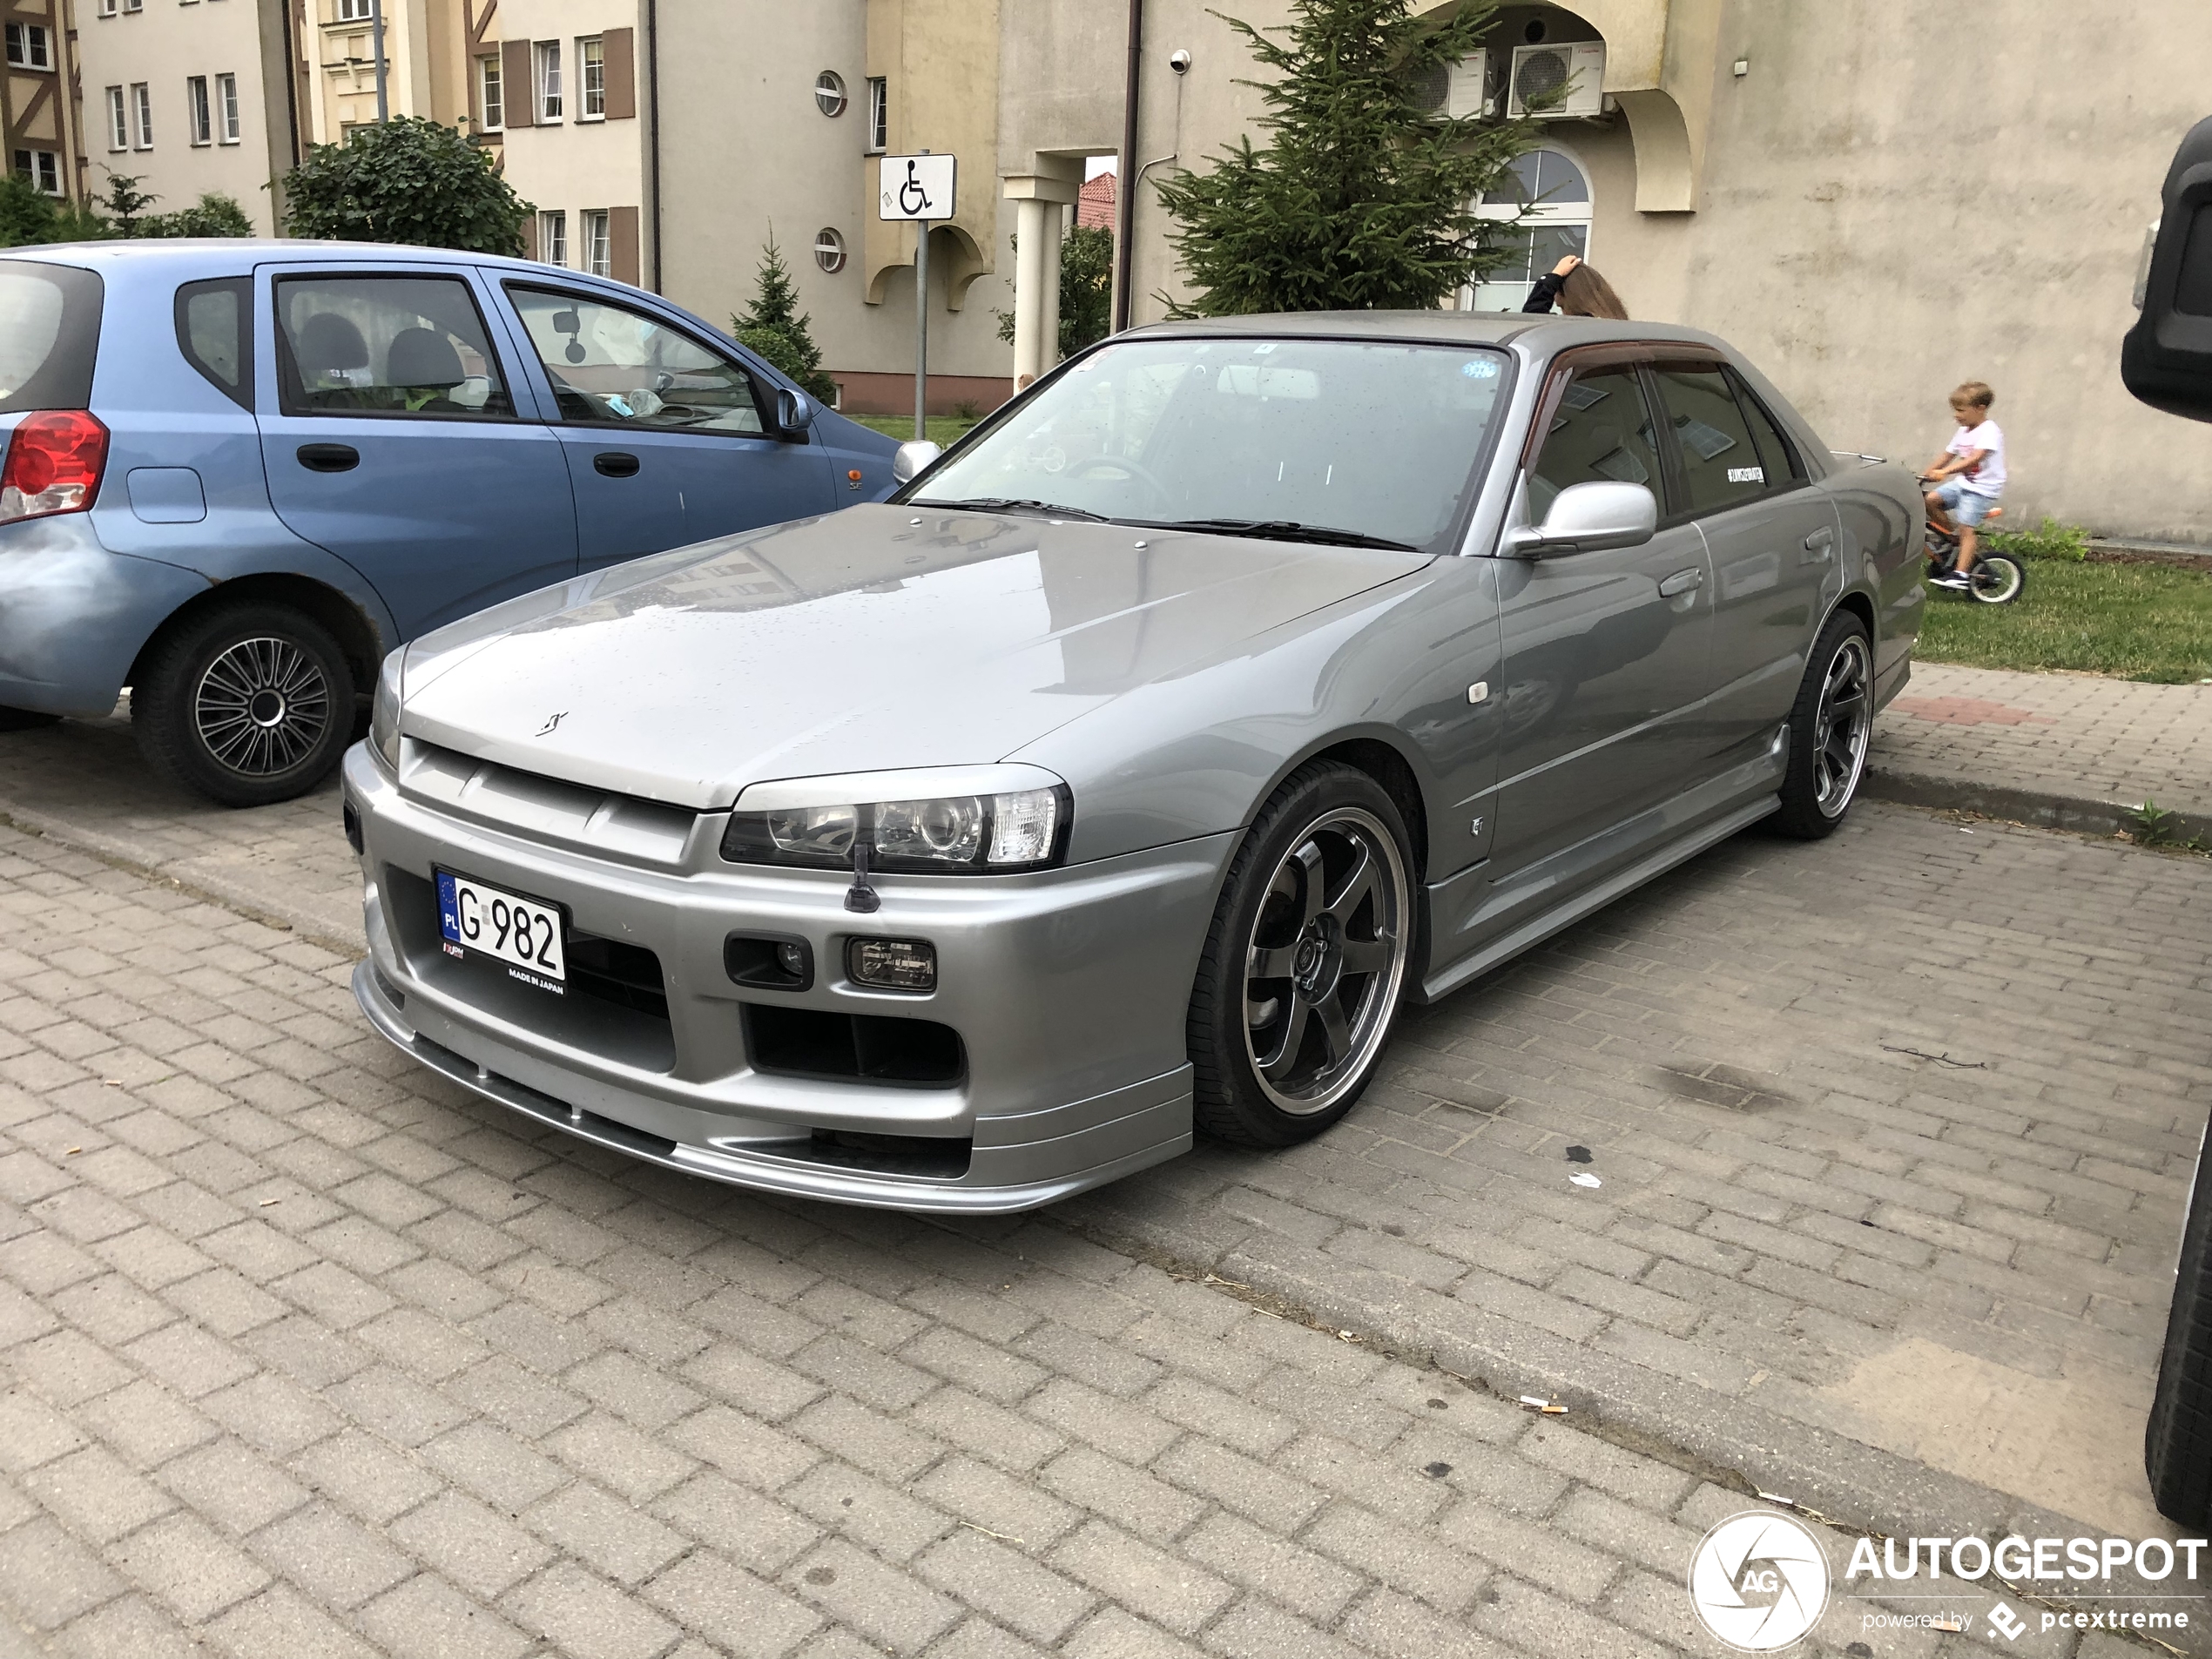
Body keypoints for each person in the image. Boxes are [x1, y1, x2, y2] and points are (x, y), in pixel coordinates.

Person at [1921, 381, 2006, 588]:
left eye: (1961, 410)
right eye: (1955, 411)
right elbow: (1947, 455)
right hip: (1964, 484)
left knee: (1967, 528)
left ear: (1980, 408)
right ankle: (1953, 542)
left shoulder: (1989, 431)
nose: (1956, 415)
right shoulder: (1964, 431)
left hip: (1982, 490)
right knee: (1930, 500)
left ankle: (1961, 575)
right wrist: (1924, 476)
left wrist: (1945, 472)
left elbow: (1975, 459)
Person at [1521, 253, 1628, 320]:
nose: (1563, 313)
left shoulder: (1574, 329)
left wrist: (1553, 277)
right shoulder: (1616, 325)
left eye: (1562, 307)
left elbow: (1530, 319)